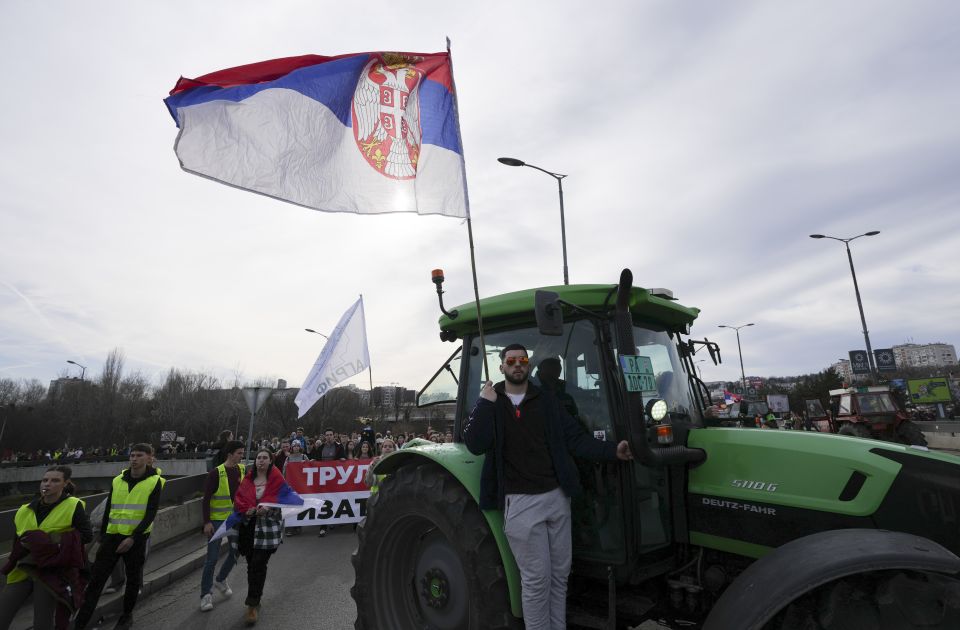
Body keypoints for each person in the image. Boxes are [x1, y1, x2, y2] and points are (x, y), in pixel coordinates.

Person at [463, 344, 632, 630]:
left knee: (559, 576)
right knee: (536, 579)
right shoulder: (493, 403)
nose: (517, 365)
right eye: (511, 361)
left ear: (528, 365)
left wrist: (612, 450)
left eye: (522, 360)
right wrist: (484, 402)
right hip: (520, 503)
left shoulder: (546, 400)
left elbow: (575, 438)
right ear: (502, 367)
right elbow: (475, 444)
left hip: (556, 498)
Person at [74, 444, 165, 630]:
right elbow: (109, 510)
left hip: (136, 539)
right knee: (96, 581)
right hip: (112, 537)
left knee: (132, 580)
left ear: (149, 458)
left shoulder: (155, 481)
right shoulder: (117, 480)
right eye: (132, 455)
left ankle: (126, 616)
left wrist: (133, 538)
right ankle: (81, 622)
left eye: (139, 455)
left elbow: (150, 513)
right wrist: (103, 537)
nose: (134, 459)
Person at [0, 466, 91, 630]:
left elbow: (86, 536)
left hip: (50, 571)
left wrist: (49, 541)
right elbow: (17, 542)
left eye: (55, 480)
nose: (48, 484)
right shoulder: (24, 510)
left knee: (42, 622)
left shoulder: (73, 505)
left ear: (65, 484)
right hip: (23, 568)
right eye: (45, 480)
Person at [234, 449, 289, 625]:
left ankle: (252, 604)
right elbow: (239, 499)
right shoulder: (248, 479)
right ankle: (255, 597)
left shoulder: (277, 479)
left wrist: (269, 509)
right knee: (252, 565)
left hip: (267, 529)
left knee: (258, 563)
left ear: (270, 461)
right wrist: (246, 510)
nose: (261, 461)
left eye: (265, 458)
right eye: (259, 458)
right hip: (249, 527)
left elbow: (283, 500)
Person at [199, 441, 245, 612]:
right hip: (217, 522)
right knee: (211, 559)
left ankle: (221, 579)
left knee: (236, 551)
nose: (242, 456)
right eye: (239, 453)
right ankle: (205, 595)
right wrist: (207, 522)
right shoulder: (216, 473)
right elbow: (206, 500)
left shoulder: (241, 469)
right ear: (230, 454)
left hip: (235, 519)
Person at [280, 442, 308, 536]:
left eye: (298, 446)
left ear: (300, 447)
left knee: (299, 506)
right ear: (292, 447)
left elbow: (310, 467)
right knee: (290, 506)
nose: (296, 448)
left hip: (301, 485)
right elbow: (284, 471)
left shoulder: (304, 457)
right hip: (291, 485)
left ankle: (298, 526)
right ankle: (289, 528)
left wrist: (306, 463)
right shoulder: (288, 458)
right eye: (294, 446)